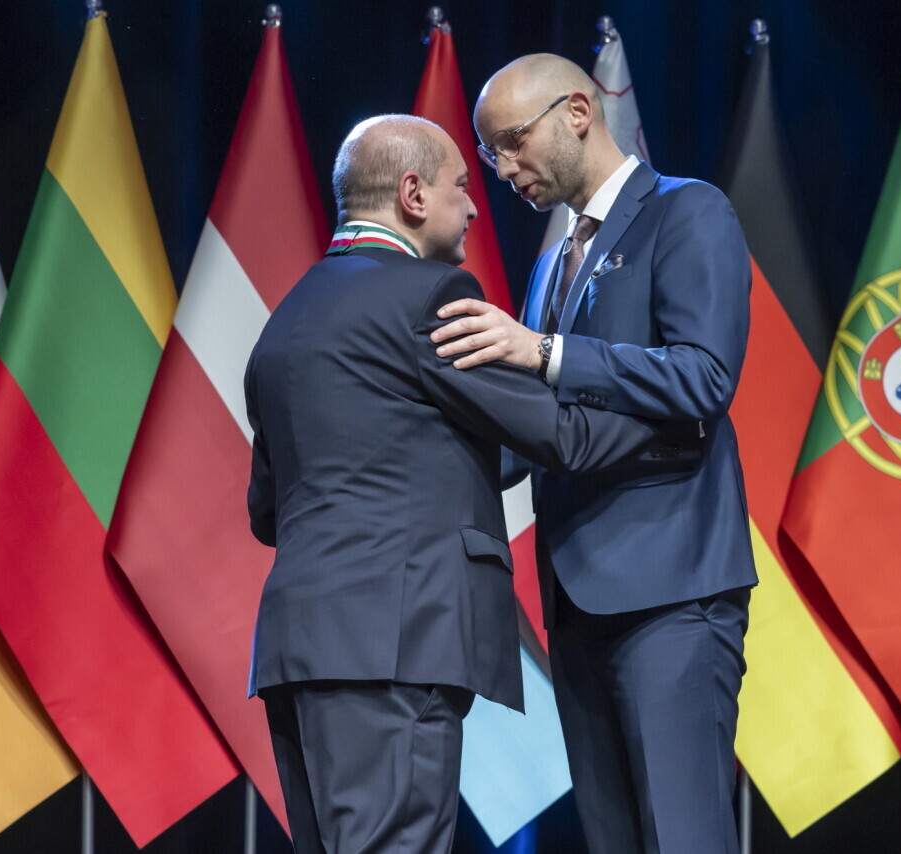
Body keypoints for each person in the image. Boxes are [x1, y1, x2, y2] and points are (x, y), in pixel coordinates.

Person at [244, 114, 691, 854]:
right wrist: (678, 419)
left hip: (297, 652)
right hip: (394, 646)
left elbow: (268, 512)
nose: (477, 205)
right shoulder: (426, 297)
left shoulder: (286, 320)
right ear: (413, 195)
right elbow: (560, 434)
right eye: (461, 185)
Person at [430, 54, 758, 854]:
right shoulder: (553, 260)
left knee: (683, 839)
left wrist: (545, 352)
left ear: (578, 112)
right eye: (490, 155)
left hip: (673, 597)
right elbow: (542, 429)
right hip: (576, 604)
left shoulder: (688, 211)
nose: (503, 170)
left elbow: (704, 378)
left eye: (512, 142)